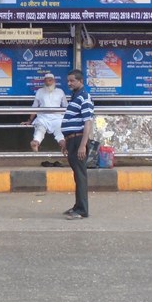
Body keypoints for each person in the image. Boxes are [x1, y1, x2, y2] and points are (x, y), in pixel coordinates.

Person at [60, 69, 94, 220]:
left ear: (80, 81)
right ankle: (77, 206)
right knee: (77, 175)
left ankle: (82, 210)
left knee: (80, 176)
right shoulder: (75, 96)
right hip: (71, 140)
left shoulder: (84, 97)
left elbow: (88, 122)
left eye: (72, 81)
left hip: (78, 140)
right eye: (68, 81)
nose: (69, 83)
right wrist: (66, 142)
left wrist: (82, 145)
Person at [21, 73, 67, 152]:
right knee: (40, 130)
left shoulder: (60, 91)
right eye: (46, 80)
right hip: (43, 118)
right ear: (44, 82)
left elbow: (66, 107)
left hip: (57, 118)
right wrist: (29, 120)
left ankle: (64, 146)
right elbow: (34, 107)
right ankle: (35, 143)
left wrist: (68, 120)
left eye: (50, 80)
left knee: (59, 133)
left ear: (54, 81)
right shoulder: (40, 91)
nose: (48, 82)